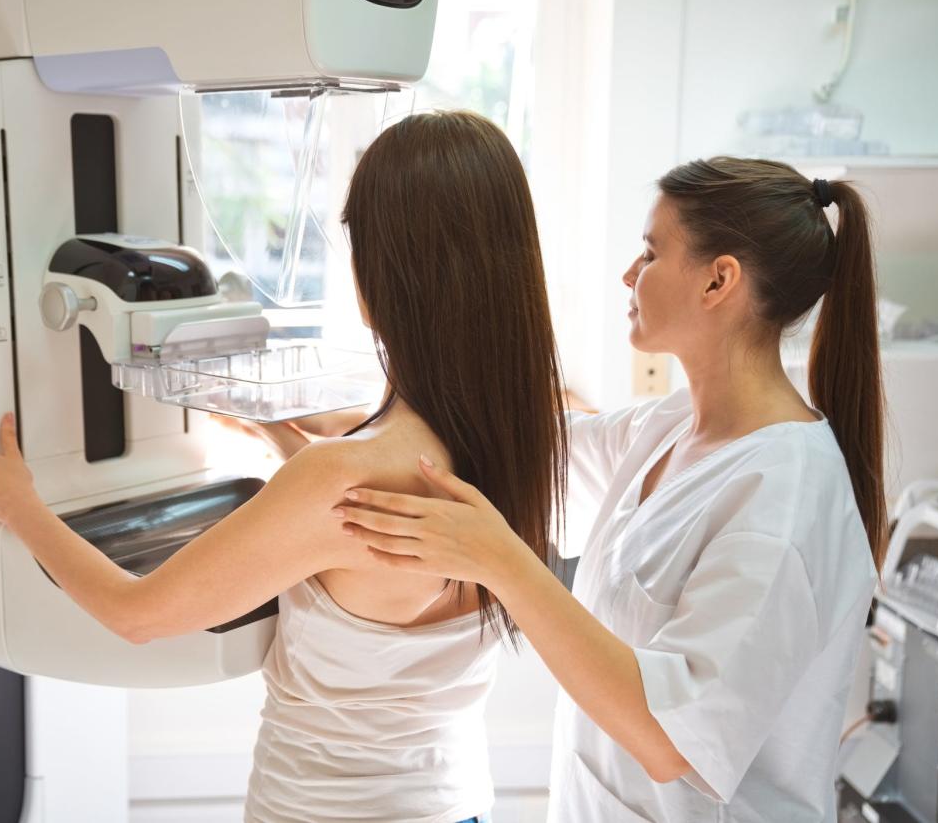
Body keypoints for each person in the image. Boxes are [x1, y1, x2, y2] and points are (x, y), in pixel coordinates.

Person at [0, 110, 568, 823]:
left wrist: (20, 504)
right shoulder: (520, 437)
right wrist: (277, 434)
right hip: (456, 804)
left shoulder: (340, 477)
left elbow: (136, 615)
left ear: (384, 274)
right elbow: (373, 541)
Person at [335, 157, 884, 822]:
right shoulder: (673, 426)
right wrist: (310, 427)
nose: (629, 274)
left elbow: (669, 741)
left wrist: (502, 561)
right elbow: (524, 448)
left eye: (650, 253)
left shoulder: (783, 502)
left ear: (719, 280)